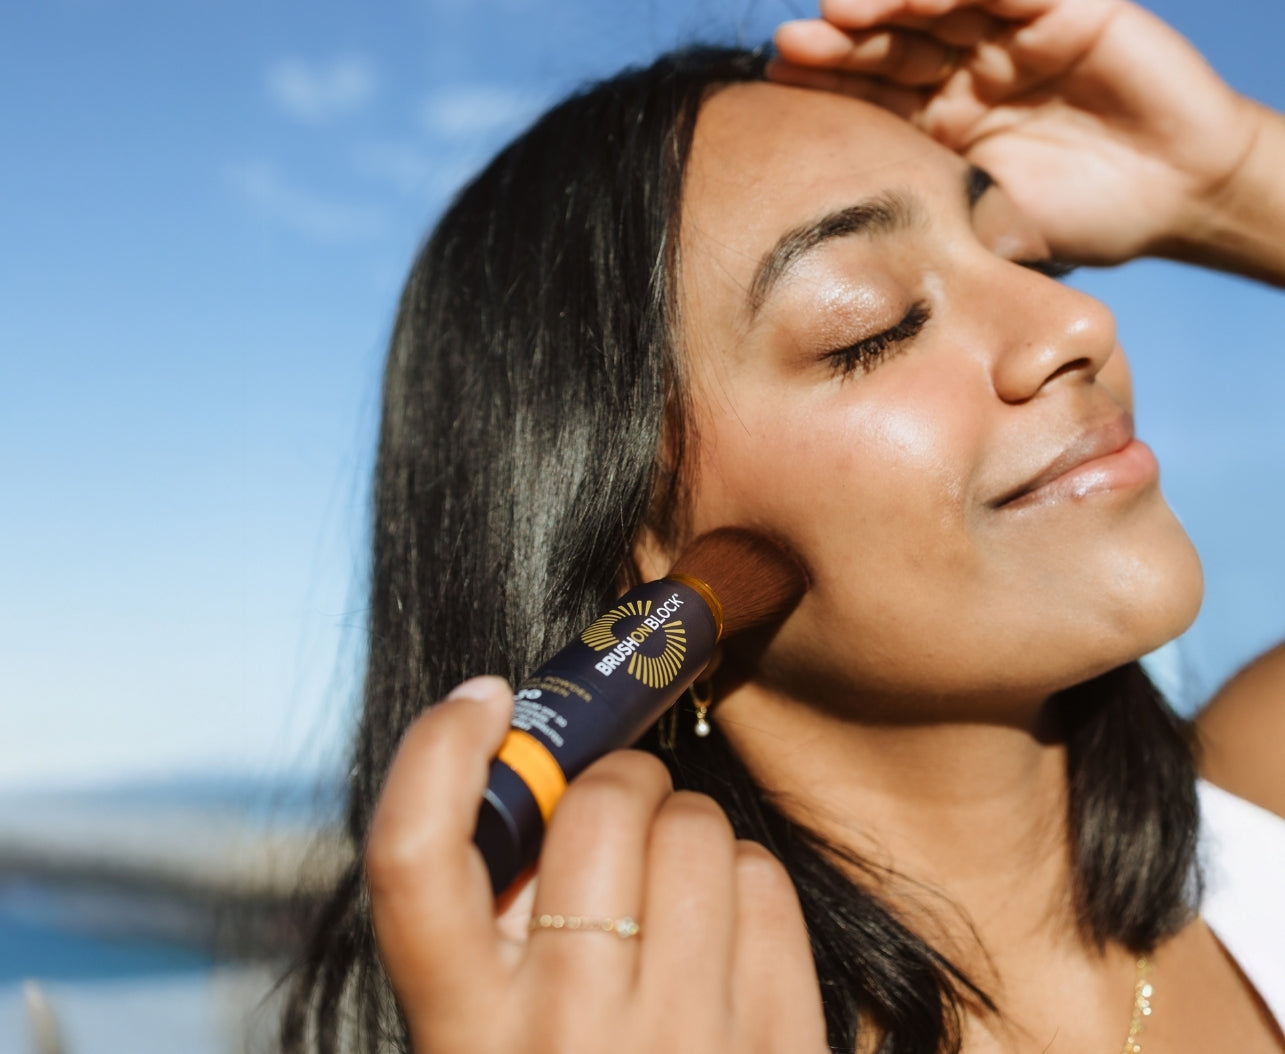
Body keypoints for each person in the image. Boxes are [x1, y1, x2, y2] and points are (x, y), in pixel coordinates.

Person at [280, 1, 1285, 1051]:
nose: (1080, 324)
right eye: (872, 324)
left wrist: (1233, 186)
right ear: (644, 566)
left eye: (1033, 258)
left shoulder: (1260, 817)